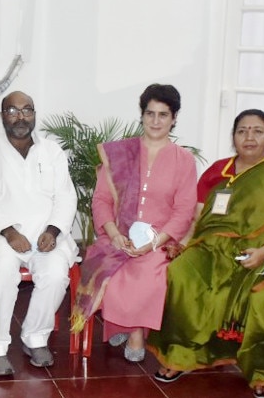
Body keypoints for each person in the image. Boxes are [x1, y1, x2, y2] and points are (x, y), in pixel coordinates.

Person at [148, 109, 264, 396]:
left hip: (263, 249)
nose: (249, 137)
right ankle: (180, 355)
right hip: (210, 247)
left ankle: (263, 370)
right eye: (242, 131)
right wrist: (183, 244)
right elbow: (196, 217)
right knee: (180, 274)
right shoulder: (217, 170)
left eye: (257, 131)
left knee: (260, 297)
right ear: (233, 138)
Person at [72, 84, 198, 362]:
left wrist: (155, 242)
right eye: (149, 113)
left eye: (163, 115)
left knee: (148, 274)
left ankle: (136, 332)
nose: (155, 121)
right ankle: (121, 323)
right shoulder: (121, 154)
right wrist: (115, 235)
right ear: (141, 115)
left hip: (160, 239)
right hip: (117, 234)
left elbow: (184, 210)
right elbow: (101, 200)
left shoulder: (183, 160)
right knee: (109, 267)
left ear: (174, 118)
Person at [0, 91, 78, 375]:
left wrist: (55, 230)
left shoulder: (52, 151)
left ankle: (35, 337)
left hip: (47, 234)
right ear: (2, 116)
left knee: (57, 273)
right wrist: (8, 232)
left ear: (34, 114)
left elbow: (66, 197)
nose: (21, 117)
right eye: (13, 111)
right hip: (2, 234)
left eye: (27, 110)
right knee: (3, 271)